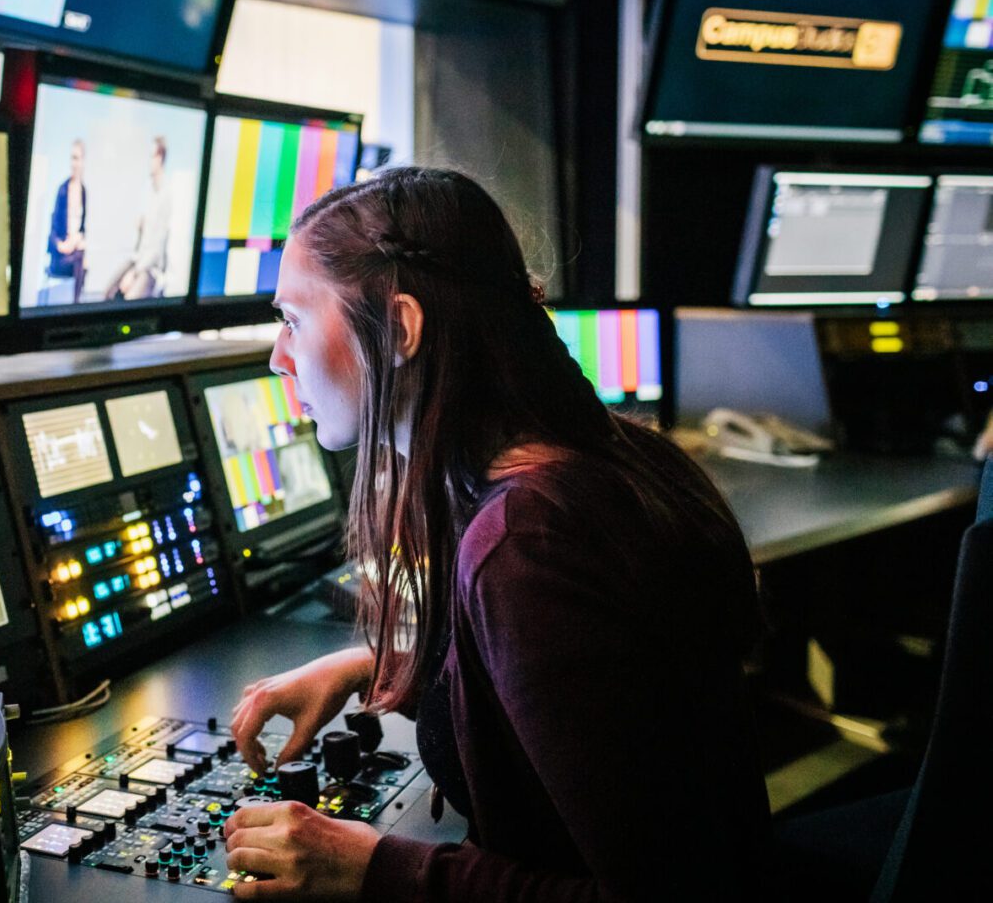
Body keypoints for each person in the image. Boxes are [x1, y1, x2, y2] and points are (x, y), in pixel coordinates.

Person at [224, 168, 771, 901]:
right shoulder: (604, 459)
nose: (278, 356)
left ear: (400, 329)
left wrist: (370, 867)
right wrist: (374, 666)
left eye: (293, 319)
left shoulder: (525, 545)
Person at [107, 137, 172, 300]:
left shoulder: (167, 196)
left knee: (131, 298)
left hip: (151, 269)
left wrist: (134, 273)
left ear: (159, 158)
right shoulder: (148, 192)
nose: (148, 162)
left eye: (151, 156)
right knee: (109, 292)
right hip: (137, 260)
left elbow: (156, 250)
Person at [42, 139, 88, 304]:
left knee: (83, 256)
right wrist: (62, 245)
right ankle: (75, 305)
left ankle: (76, 303)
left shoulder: (83, 191)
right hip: (60, 255)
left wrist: (79, 240)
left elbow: (83, 228)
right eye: (72, 158)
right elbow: (53, 231)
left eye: (77, 158)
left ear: (83, 161)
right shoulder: (62, 190)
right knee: (81, 259)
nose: (74, 163)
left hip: (76, 253)